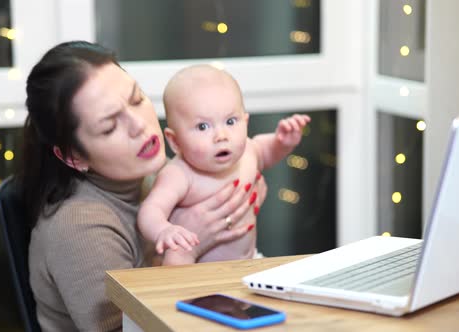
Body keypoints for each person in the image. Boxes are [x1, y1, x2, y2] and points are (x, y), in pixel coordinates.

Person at [19, 41, 266, 332]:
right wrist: (189, 247)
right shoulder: (79, 228)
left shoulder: (154, 176)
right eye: (110, 126)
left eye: (136, 99)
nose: (140, 125)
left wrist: (240, 202)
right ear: (74, 157)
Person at [138, 64, 310, 265]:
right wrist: (163, 230)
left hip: (250, 260)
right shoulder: (179, 174)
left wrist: (282, 143)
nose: (221, 136)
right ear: (175, 142)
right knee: (175, 263)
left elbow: (268, 152)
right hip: (197, 271)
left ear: (245, 122)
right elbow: (150, 210)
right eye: (203, 126)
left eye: (230, 121)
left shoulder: (248, 151)